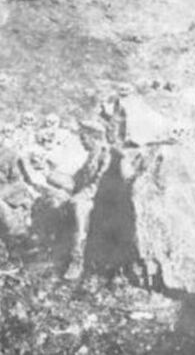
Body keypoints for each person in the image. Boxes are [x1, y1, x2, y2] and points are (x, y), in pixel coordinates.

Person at [64, 119, 112, 281]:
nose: (82, 142)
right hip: (90, 195)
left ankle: (77, 260)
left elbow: (99, 183)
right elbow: (79, 178)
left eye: (84, 139)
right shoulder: (93, 154)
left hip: (104, 200)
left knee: (80, 210)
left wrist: (80, 195)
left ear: (93, 137)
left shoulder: (106, 154)